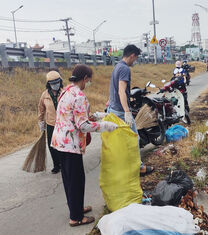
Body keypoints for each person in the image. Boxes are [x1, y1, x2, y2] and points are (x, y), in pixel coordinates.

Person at [51, 64, 118, 227]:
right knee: (76, 180)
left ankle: (76, 208)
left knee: (69, 180)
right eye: (90, 80)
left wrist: (98, 116)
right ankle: (76, 218)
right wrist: (105, 126)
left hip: (59, 142)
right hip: (70, 144)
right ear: (85, 78)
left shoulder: (67, 90)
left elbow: (76, 116)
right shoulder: (79, 96)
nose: (89, 83)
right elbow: (83, 126)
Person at [107, 44, 154, 176]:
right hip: (121, 111)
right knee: (134, 139)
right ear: (132, 55)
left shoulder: (117, 66)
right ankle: (138, 168)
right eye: (136, 58)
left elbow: (114, 88)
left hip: (113, 108)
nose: (135, 61)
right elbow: (121, 90)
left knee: (121, 141)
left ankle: (123, 167)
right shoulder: (124, 69)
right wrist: (127, 112)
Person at [38, 71, 63, 174]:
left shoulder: (64, 93)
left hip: (62, 124)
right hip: (51, 124)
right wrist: (40, 121)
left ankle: (63, 163)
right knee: (51, 146)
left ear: (60, 82)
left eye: (57, 82)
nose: (55, 85)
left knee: (62, 145)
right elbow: (41, 108)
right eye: (53, 83)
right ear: (48, 84)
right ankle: (56, 165)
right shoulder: (45, 95)